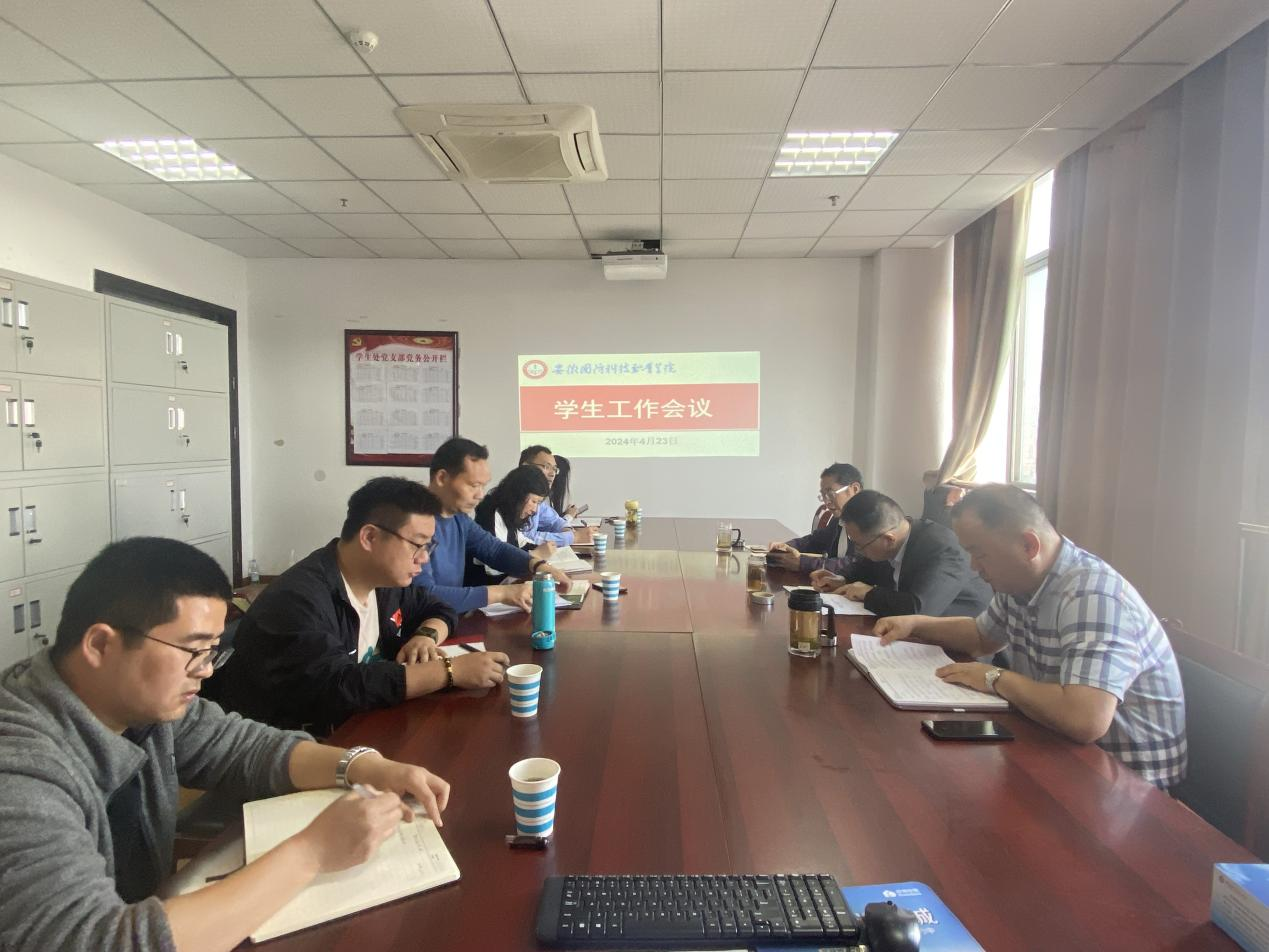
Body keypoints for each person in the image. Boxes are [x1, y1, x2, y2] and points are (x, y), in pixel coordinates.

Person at [0, 536, 452, 952]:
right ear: (101, 645)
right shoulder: (21, 770)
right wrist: (312, 853)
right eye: (193, 651)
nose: (206, 670)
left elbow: (246, 747)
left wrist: (365, 765)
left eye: (212, 651)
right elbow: (94, 941)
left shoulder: (136, 702)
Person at [875, 484, 1186, 788]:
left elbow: (1085, 719)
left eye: (979, 553)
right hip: (1058, 746)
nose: (974, 566)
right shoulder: (1020, 580)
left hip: (1127, 783)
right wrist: (916, 624)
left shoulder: (1092, 597)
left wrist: (994, 677)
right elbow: (981, 636)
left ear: (1028, 545)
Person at [209, 477, 507, 734]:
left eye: (429, 546)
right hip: (284, 747)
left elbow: (437, 607)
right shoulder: (297, 601)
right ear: (369, 537)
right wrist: (449, 671)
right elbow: (341, 686)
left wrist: (425, 637)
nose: (424, 558)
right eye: (417, 544)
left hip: (360, 725)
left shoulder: (382, 582)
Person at [412, 437, 570, 612]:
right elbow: (423, 595)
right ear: (442, 478)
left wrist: (538, 565)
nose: (480, 495)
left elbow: (494, 549)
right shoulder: (412, 524)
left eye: (483, 486)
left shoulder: (459, 518)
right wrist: (502, 593)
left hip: (447, 616)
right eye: (474, 485)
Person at [814, 490, 991, 617]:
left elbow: (919, 610)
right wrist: (841, 579)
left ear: (888, 540)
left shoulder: (942, 548)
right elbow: (864, 567)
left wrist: (868, 593)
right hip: (911, 636)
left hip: (957, 646)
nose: (858, 551)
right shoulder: (885, 540)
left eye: (860, 546)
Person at [767, 462, 863, 572]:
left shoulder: (870, 522)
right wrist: (786, 546)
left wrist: (803, 563)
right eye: (823, 495)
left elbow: (854, 563)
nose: (826, 501)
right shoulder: (840, 518)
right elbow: (815, 540)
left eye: (831, 494)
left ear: (854, 489)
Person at [468, 464, 555, 585]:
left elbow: (522, 543)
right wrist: (536, 555)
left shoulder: (510, 514)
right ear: (518, 495)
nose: (535, 510)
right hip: (485, 589)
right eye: (534, 501)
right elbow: (493, 568)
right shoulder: (489, 514)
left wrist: (542, 548)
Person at [518, 445, 594, 546]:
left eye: (554, 469)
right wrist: (574, 537)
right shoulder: (516, 495)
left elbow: (554, 521)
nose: (552, 474)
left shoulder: (539, 500)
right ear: (526, 467)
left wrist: (568, 530)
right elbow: (526, 538)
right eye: (546, 467)